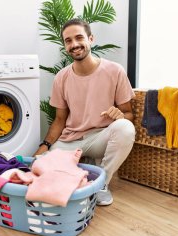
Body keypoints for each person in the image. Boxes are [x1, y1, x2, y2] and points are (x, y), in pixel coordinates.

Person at [34, 18, 136, 206]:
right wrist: (45, 146)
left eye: (79, 38)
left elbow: (129, 115)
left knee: (125, 128)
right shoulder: (61, 77)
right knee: (39, 168)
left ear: (90, 39)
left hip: (100, 138)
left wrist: (120, 116)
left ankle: (100, 183)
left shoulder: (115, 71)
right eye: (68, 41)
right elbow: (59, 120)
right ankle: (86, 165)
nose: (74, 44)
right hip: (70, 141)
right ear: (65, 45)